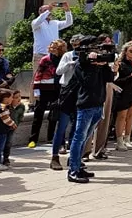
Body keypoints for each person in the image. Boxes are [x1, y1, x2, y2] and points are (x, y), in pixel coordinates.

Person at [67, 36, 114, 184]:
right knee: (79, 137)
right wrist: (94, 66)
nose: (97, 51)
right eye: (94, 48)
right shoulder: (81, 65)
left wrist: (104, 65)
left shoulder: (97, 64)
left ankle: (79, 165)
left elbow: (109, 78)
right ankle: (73, 170)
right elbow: (88, 83)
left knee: (85, 138)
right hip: (86, 105)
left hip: (98, 104)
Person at [51, 35, 83, 170]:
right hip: (67, 91)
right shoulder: (68, 55)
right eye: (74, 45)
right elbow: (58, 71)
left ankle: (74, 157)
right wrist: (70, 64)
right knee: (62, 126)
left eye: (79, 45)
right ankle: (54, 156)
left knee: (78, 128)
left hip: (80, 92)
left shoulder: (86, 56)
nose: (77, 48)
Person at [27, 39, 66, 148]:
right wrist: (36, 91)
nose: (52, 49)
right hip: (44, 88)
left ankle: (51, 138)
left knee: (54, 115)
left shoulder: (64, 59)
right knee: (38, 114)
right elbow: (38, 75)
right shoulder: (45, 59)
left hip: (58, 89)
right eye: (51, 47)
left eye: (55, 47)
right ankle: (33, 139)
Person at [31, 2, 73, 76]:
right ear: (40, 12)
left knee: (53, 77)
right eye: (45, 10)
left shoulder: (55, 23)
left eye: (49, 10)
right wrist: (48, 10)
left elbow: (69, 22)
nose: (49, 12)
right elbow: (39, 20)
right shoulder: (36, 23)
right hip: (40, 55)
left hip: (54, 55)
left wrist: (67, 11)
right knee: (38, 77)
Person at [113, 41, 132, 151]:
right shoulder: (121, 64)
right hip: (123, 94)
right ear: (125, 51)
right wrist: (131, 76)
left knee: (130, 117)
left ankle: (127, 139)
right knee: (122, 116)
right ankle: (119, 141)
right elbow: (117, 81)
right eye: (131, 51)